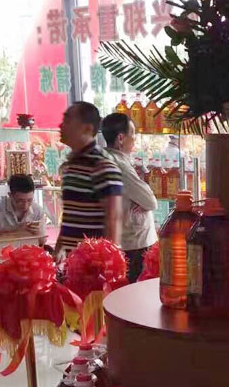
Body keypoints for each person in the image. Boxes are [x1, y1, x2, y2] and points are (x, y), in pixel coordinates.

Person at [56, 102, 123, 257]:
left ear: (87, 128)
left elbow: (113, 218)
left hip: (93, 261)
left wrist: (109, 260)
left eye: (67, 120)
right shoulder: (72, 165)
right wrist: (60, 246)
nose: (61, 125)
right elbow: (70, 214)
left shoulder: (102, 165)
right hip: (74, 259)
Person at [101, 112, 158, 282]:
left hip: (120, 241)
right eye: (133, 135)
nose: (134, 140)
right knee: (134, 288)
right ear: (121, 138)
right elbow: (150, 201)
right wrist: (141, 199)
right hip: (133, 244)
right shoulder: (119, 164)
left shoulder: (104, 157)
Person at [0, 174, 47, 245]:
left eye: (29, 200)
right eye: (20, 201)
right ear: (10, 195)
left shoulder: (37, 211)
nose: (25, 206)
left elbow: (42, 242)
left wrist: (39, 234)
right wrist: (15, 229)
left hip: (27, 250)